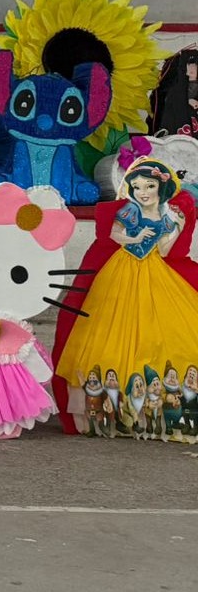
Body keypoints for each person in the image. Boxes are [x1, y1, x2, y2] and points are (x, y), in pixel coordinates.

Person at [56, 157, 198, 440]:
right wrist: (137, 237)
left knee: (165, 333)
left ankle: (157, 412)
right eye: (138, 187)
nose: (143, 192)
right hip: (120, 269)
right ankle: (111, 411)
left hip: (158, 273)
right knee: (110, 333)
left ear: (161, 189)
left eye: (149, 186)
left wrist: (174, 226)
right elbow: (115, 235)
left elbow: (166, 251)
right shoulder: (128, 212)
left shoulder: (168, 216)